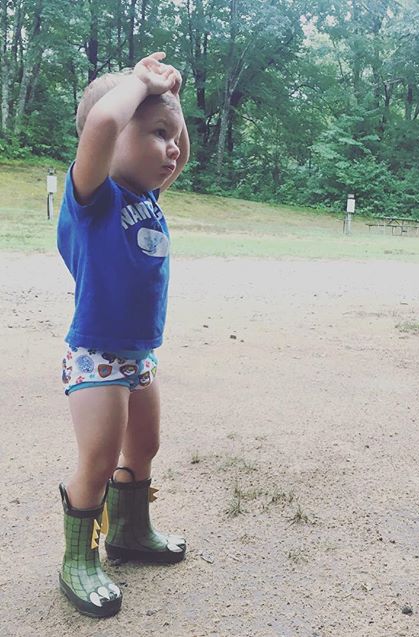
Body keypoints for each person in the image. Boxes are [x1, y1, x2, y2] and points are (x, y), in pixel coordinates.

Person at [56, 51, 190, 618]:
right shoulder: (94, 198)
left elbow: (174, 155)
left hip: (139, 355)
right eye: (159, 134)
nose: (174, 148)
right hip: (96, 355)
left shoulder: (147, 197)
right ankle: (78, 559)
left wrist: (171, 109)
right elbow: (106, 124)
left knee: (144, 446)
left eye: (176, 136)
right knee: (99, 456)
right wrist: (137, 84)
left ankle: (131, 533)